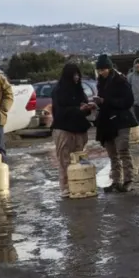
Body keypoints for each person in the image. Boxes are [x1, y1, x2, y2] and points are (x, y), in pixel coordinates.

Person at [94, 54, 138, 193]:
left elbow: (128, 101)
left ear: (109, 68)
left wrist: (106, 101)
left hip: (121, 120)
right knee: (112, 154)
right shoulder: (100, 82)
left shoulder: (120, 81)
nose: (102, 72)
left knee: (123, 150)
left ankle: (128, 180)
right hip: (107, 122)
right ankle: (116, 180)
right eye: (99, 70)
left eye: (103, 69)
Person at [51, 63, 95, 198]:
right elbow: (59, 111)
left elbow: (83, 107)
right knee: (65, 160)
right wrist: (77, 109)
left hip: (79, 128)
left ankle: (80, 184)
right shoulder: (59, 91)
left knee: (79, 158)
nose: (76, 77)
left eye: (78, 74)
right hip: (64, 129)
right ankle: (65, 187)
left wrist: (87, 108)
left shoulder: (79, 90)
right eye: (73, 75)